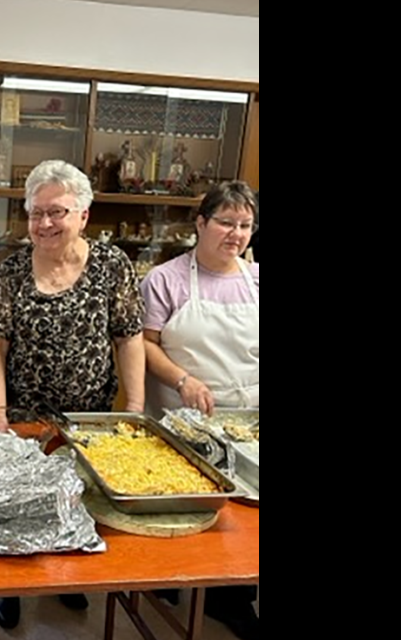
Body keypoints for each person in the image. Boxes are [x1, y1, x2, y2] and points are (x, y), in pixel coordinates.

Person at [0, 159, 147, 629]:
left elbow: (128, 337)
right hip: (24, 413)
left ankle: (69, 577)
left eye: (57, 212)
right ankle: (10, 586)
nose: (45, 223)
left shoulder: (113, 266)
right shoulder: (10, 271)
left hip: (89, 415)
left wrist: (133, 408)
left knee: (78, 498)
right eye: (36, 213)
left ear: (83, 215)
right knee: (17, 502)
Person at [139, 180, 259, 640]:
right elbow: (144, 346)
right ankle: (169, 585)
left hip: (244, 419)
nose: (236, 234)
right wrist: (183, 379)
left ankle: (232, 599)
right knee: (182, 507)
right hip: (181, 417)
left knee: (242, 518)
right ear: (201, 223)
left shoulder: (254, 280)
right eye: (226, 222)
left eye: (245, 225)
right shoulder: (166, 279)